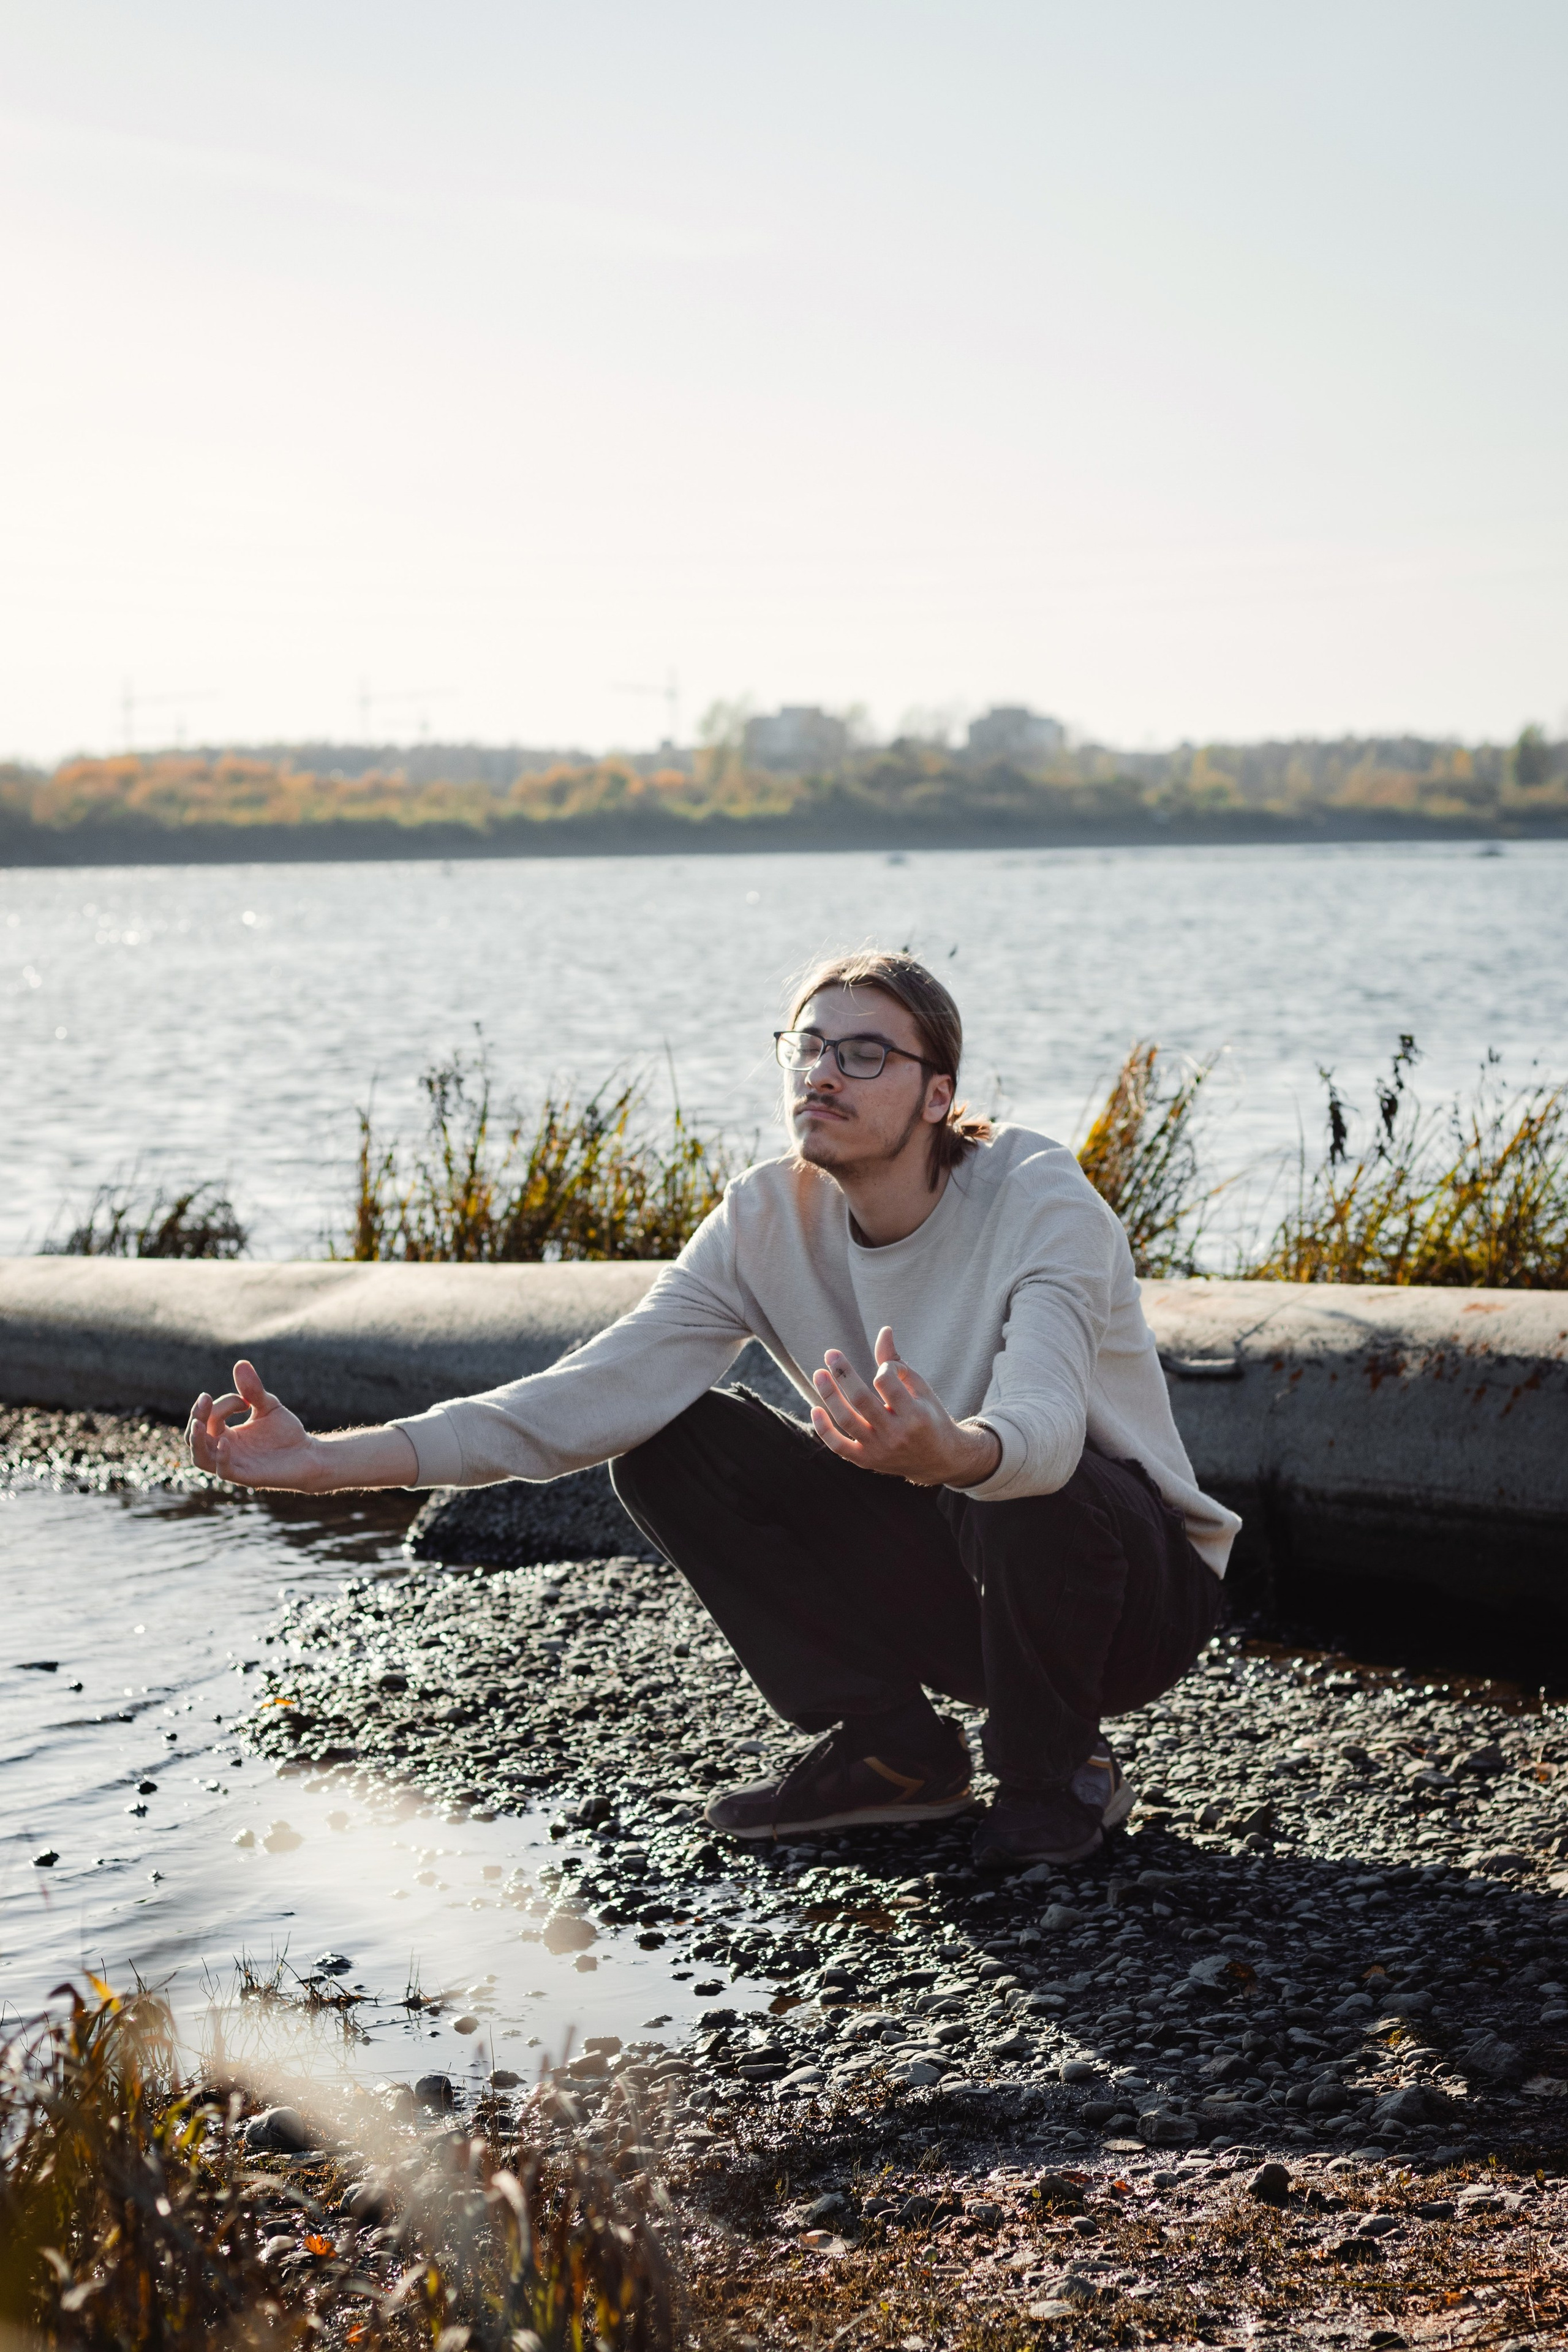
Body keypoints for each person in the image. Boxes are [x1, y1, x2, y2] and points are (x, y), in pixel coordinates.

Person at [187, 948, 1238, 1867]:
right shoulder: (765, 1217)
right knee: (663, 1439)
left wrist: (955, 1451)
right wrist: (328, 1461)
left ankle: (1051, 1772)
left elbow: (1047, 1433)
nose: (825, 1072)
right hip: (959, 1583)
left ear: (936, 1094)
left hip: (1126, 1602)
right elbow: (584, 1397)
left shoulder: (1037, 1195)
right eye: (809, 1046)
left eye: (865, 1054)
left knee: (1022, 1486)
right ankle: (891, 1753)